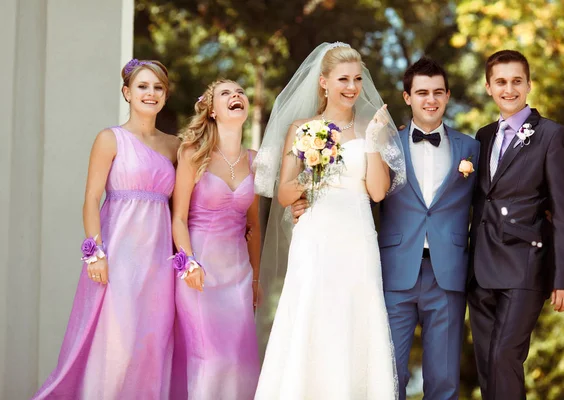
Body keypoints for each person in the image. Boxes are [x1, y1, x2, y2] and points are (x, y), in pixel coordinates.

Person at [252, 42, 406, 399]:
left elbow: (379, 192)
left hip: (357, 232)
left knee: (356, 313)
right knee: (313, 312)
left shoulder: (371, 127)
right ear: (323, 82)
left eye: (356, 79)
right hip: (317, 235)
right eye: (342, 79)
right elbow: (285, 193)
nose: (351, 87)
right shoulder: (302, 128)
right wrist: (315, 171)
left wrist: (372, 142)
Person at [33, 59, 179, 399]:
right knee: (117, 344)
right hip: (118, 256)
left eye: (158, 87)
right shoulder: (110, 139)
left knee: (151, 343)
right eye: (143, 86)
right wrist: (95, 254)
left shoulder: (175, 146)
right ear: (127, 93)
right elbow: (90, 198)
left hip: (158, 261)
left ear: (165, 96)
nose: (151, 93)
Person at [468, 49, 564, 399]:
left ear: (529, 84)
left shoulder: (552, 135)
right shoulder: (482, 136)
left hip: (525, 266)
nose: (509, 89)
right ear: (488, 87)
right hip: (481, 268)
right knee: (488, 364)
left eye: (517, 81)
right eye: (500, 82)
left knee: (505, 356)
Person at [378, 57, 480, 400]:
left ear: (448, 95)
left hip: (448, 273)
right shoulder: (386, 145)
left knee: (444, 379)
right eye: (422, 92)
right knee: (389, 375)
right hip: (395, 272)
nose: (430, 99)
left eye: (438, 92)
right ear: (407, 97)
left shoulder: (471, 148)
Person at [170, 79, 261, 399]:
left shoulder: (255, 159)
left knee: (239, 362)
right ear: (211, 110)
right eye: (226, 93)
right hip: (200, 272)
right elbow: (178, 218)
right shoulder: (193, 154)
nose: (236, 96)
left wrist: (255, 278)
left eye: (240, 92)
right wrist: (188, 263)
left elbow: (254, 227)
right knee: (211, 361)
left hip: (239, 275)